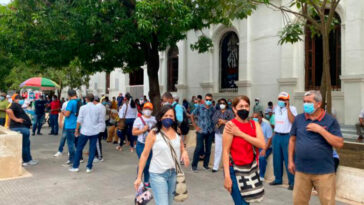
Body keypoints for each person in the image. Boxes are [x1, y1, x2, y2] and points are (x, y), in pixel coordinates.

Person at [288, 90, 344, 205]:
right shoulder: (299, 119)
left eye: (309, 102)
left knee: (327, 202)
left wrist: (321, 130)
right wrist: (290, 161)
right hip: (302, 170)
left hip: (324, 172)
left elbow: (339, 143)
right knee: (298, 202)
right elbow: (292, 140)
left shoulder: (330, 120)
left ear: (318, 104)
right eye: (304, 102)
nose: (305, 104)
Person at [134, 105, 190, 205]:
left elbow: (181, 146)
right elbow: (144, 155)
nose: (168, 118)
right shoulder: (154, 133)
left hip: (173, 174)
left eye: (171, 116)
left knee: (169, 203)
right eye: (165, 115)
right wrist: (139, 177)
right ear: (160, 118)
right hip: (158, 174)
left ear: (174, 118)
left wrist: (184, 152)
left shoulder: (177, 131)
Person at [222, 95, 265, 205]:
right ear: (234, 109)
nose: (244, 109)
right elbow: (226, 152)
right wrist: (227, 177)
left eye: (246, 106)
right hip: (235, 171)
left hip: (251, 170)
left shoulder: (254, 124)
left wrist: (240, 134)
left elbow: (262, 144)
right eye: (240, 106)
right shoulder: (230, 126)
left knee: (248, 201)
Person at [270, 91, 297, 190]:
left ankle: (292, 182)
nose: (281, 101)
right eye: (280, 99)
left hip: (287, 136)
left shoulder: (292, 109)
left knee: (288, 159)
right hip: (277, 135)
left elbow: (293, 121)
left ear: (287, 100)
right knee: (276, 159)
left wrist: (288, 107)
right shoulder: (276, 108)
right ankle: (278, 179)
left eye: (283, 99)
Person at [69, 94, 102, 173]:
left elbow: (79, 120)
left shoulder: (83, 108)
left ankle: (75, 166)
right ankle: (89, 167)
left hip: (85, 131)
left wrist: (76, 129)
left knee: (79, 148)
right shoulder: (97, 108)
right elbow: (99, 120)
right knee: (92, 149)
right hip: (94, 131)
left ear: (86, 99)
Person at [6, 94, 38, 167]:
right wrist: (16, 119)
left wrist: (8, 125)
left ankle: (29, 159)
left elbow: (10, 117)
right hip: (20, 127)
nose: (21, 100)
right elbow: (9, 111)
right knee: (25, 145)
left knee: (26, 144)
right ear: (16, 99)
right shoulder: (15, 104)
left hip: (20, 127)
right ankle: (26, 160)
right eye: (20, 99)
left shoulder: (17, 106)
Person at [132, 102, 157, 188]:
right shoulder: (138, 120)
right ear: (142, 110)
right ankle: (139, 177)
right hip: (141, 145)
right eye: (146, 108)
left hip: (151, 145)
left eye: (149, 109)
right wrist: (143, 130)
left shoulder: (155, 119)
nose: (147, 110)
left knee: (149, 163)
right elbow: (134, 132)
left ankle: (146, 181)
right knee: (143, 162)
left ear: (152, 110)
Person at [191, 93, 216, 172]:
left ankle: (206, 165)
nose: (208, 101)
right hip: (201, 131)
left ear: (212, 100)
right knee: (198, 148)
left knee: (208, 149)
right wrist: (195, 126)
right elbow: (192, 115)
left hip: (210, 131)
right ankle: (194, 166)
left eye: (210, 100)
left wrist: (214, 127)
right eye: (207, 99)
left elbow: (215, 118)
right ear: (205, 99)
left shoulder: (213, 108)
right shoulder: (200, 107)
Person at [212, 98, 234, 172]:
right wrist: (220, 121)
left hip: (227, 133)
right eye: (220, 103)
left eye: (223, 103)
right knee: (217, 150)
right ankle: (215, 167)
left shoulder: (229, 112)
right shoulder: (217, 112)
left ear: (226, 104)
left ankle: (227, 166)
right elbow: (214, 120)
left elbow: (232, 121)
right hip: (218, 133)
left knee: (227, 150)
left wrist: (224, 121)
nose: (222, 104)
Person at [252, 112, 273, 180]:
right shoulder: (252, 125)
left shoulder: (267, 126)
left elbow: (270, 139)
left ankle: (261, 175)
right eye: (253, 117)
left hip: (265, 147)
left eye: (256, 117)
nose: (255, 119)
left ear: (261, 117)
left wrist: (264, 149)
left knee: (261, 158)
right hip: (256, 146)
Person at [63, 89, 79, 165]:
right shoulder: (79, 101)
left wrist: (63, 112)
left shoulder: (70, 102)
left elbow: (67, 114)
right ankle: (78, 158)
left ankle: (73, 159)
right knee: (76, 143)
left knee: (70, 143)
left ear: (69, 95)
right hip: (77, 125)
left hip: (70, 125)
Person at [94, 96, 106, 162]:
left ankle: (100, 157)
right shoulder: (102, 106)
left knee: (97, 142)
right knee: (98, 141)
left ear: (94, 101)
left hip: (98, 127)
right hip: (102, 126)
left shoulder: (96, 107)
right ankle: (97, 155)